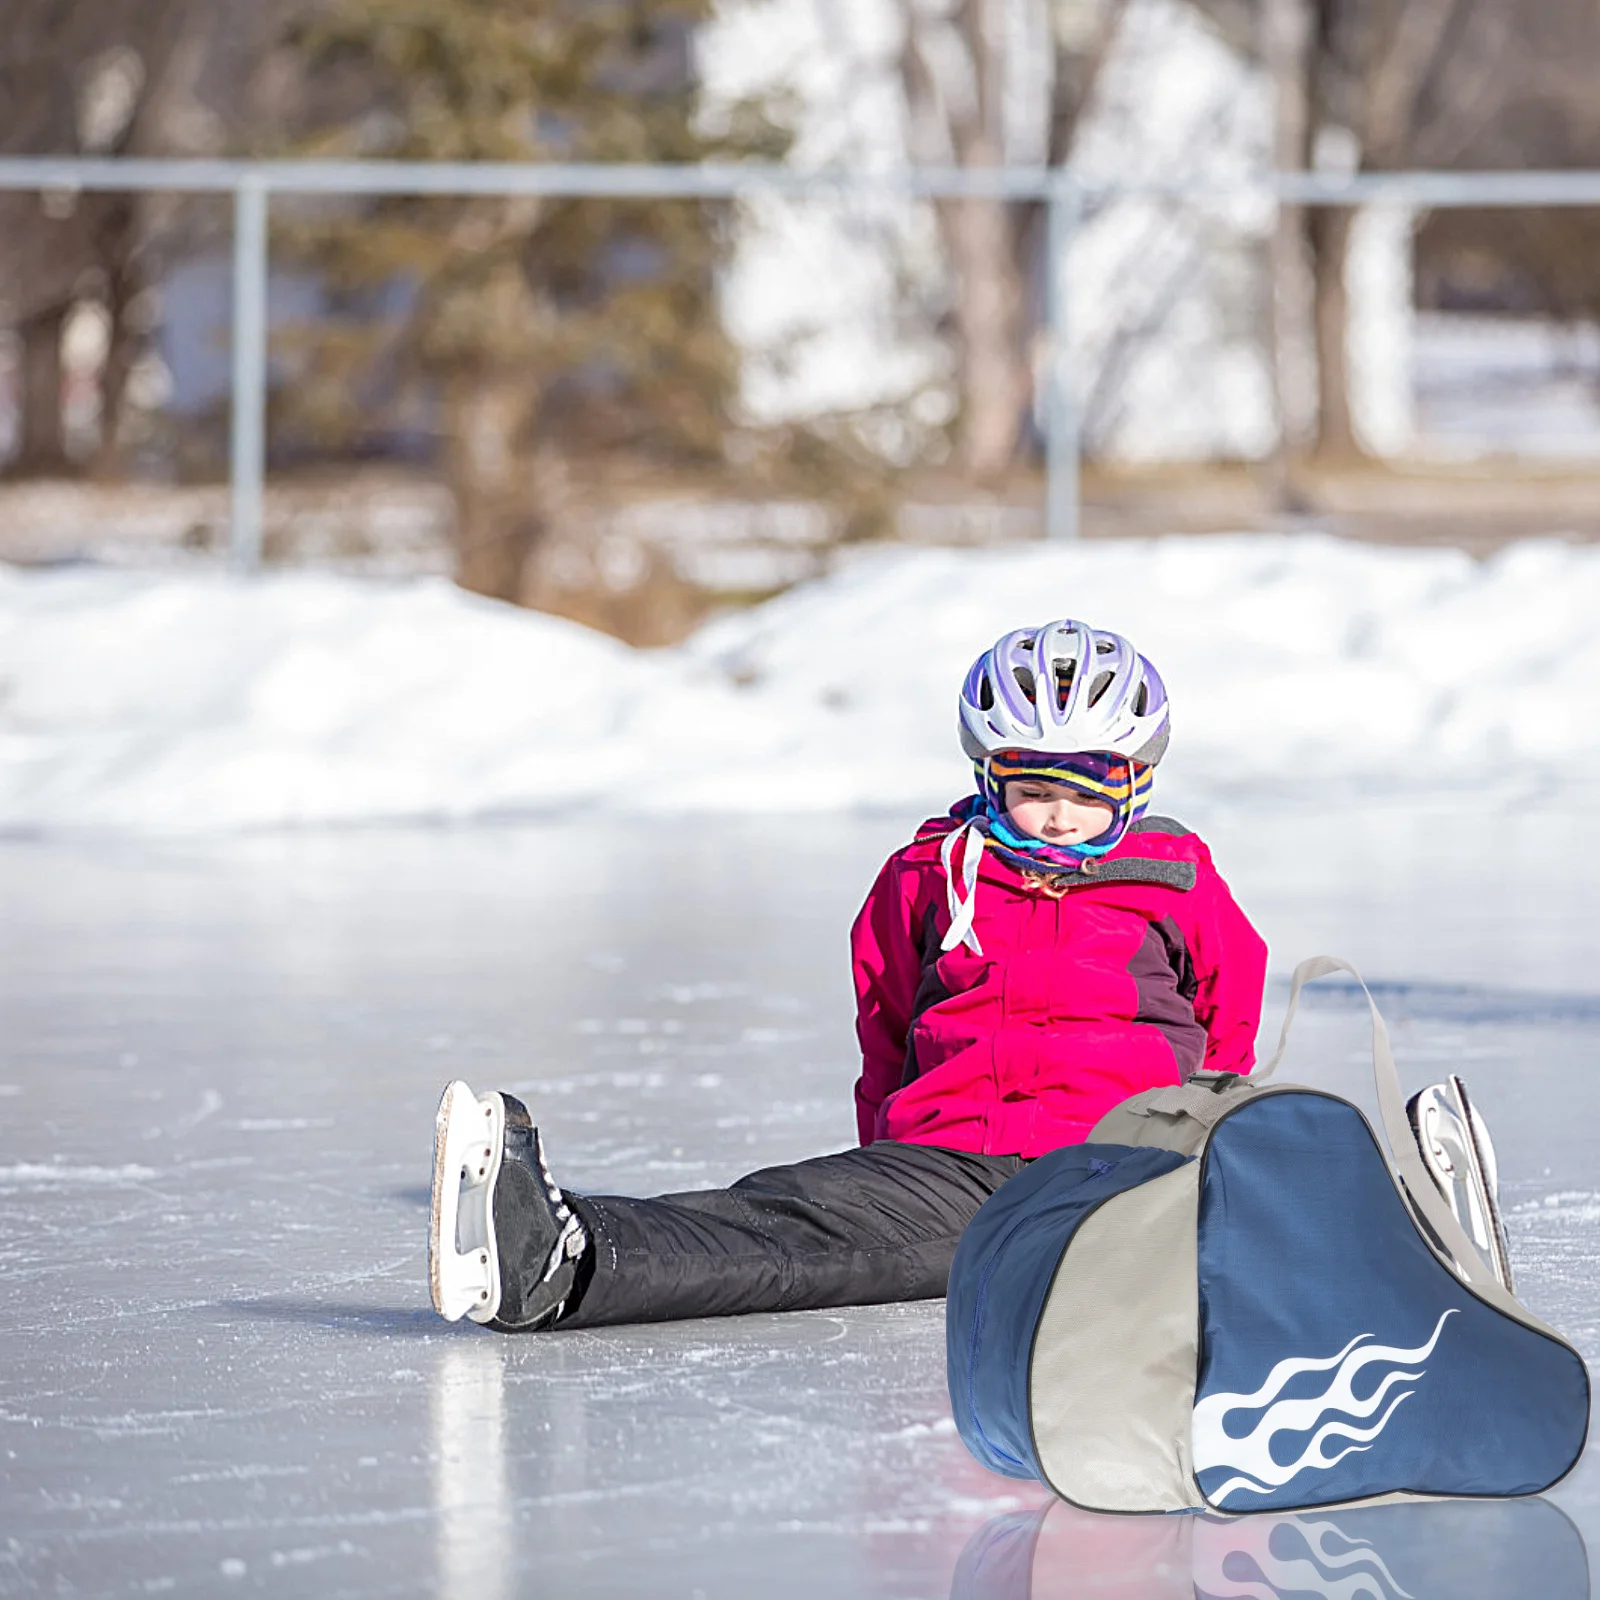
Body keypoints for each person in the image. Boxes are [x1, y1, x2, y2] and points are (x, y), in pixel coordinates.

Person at [427, 618, 1268, 1332]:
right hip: (954, 1158)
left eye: (1089, 788)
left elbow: (1228, 1016)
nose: (1058, 816)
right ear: (989, 775)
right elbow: (888, 1023)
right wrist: (882, 1166)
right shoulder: (927, 875)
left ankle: (1387, 1207)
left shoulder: (1175, 881)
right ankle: (559, 1256)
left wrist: (1194, 1140)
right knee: (802, 1220)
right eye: (1033, 788)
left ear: (1137, 778)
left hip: (1114, 1163)